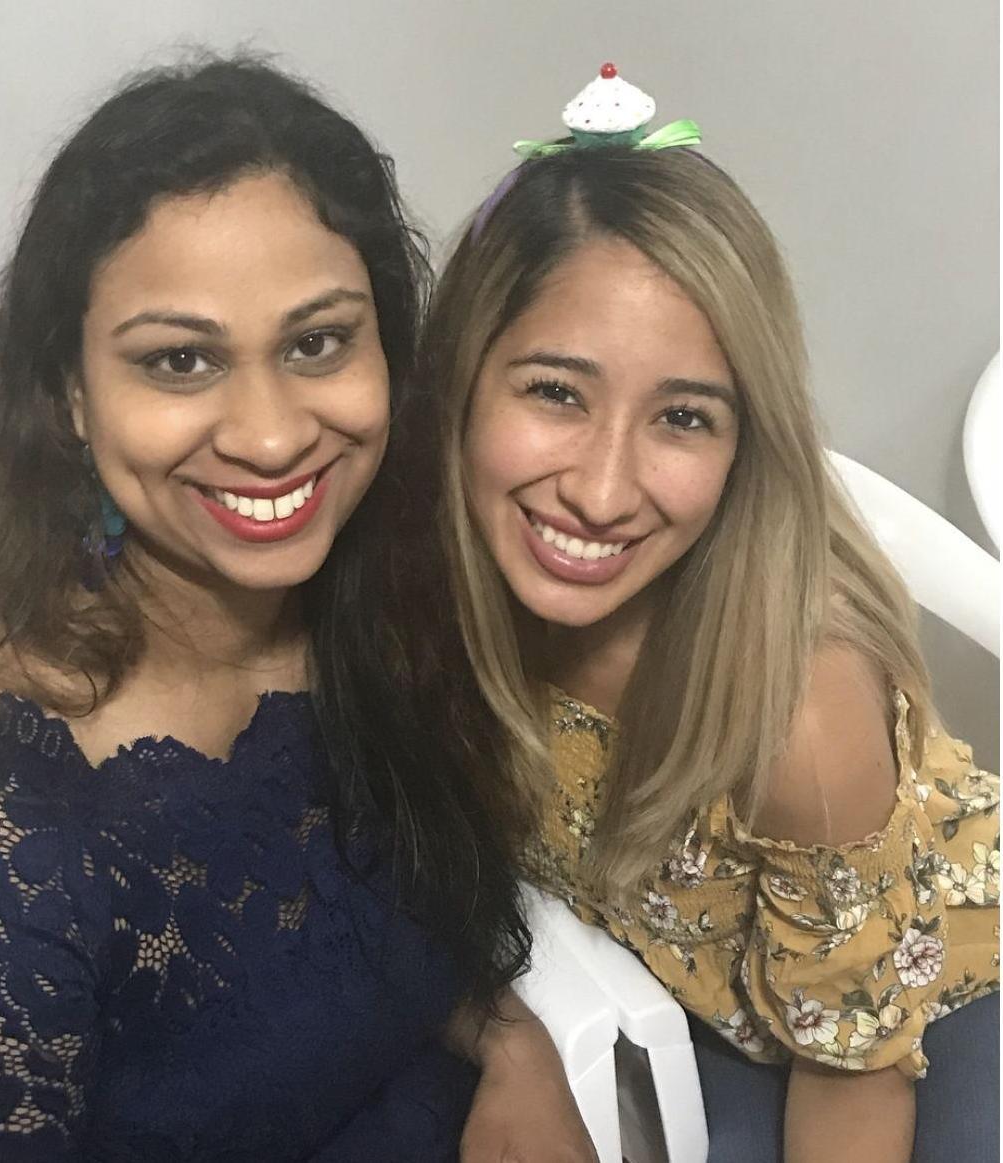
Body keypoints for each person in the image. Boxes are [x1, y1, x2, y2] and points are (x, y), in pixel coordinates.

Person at [0, 53, 594, 1162]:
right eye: (181, 360)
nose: (274, 433)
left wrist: (511, 1041)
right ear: (71, 398)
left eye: (317, 341)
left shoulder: (378, 595)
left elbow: (381, 932)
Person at [418, 62, 1000, 1163]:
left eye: (682, 417)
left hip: (917, 1013)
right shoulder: (417, 589)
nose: (599, 489)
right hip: (698, 990)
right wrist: (509, 1036)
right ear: (458, 379)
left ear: (744, 450)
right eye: (555, 391)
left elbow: (853, 1071)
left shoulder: (800, 713)